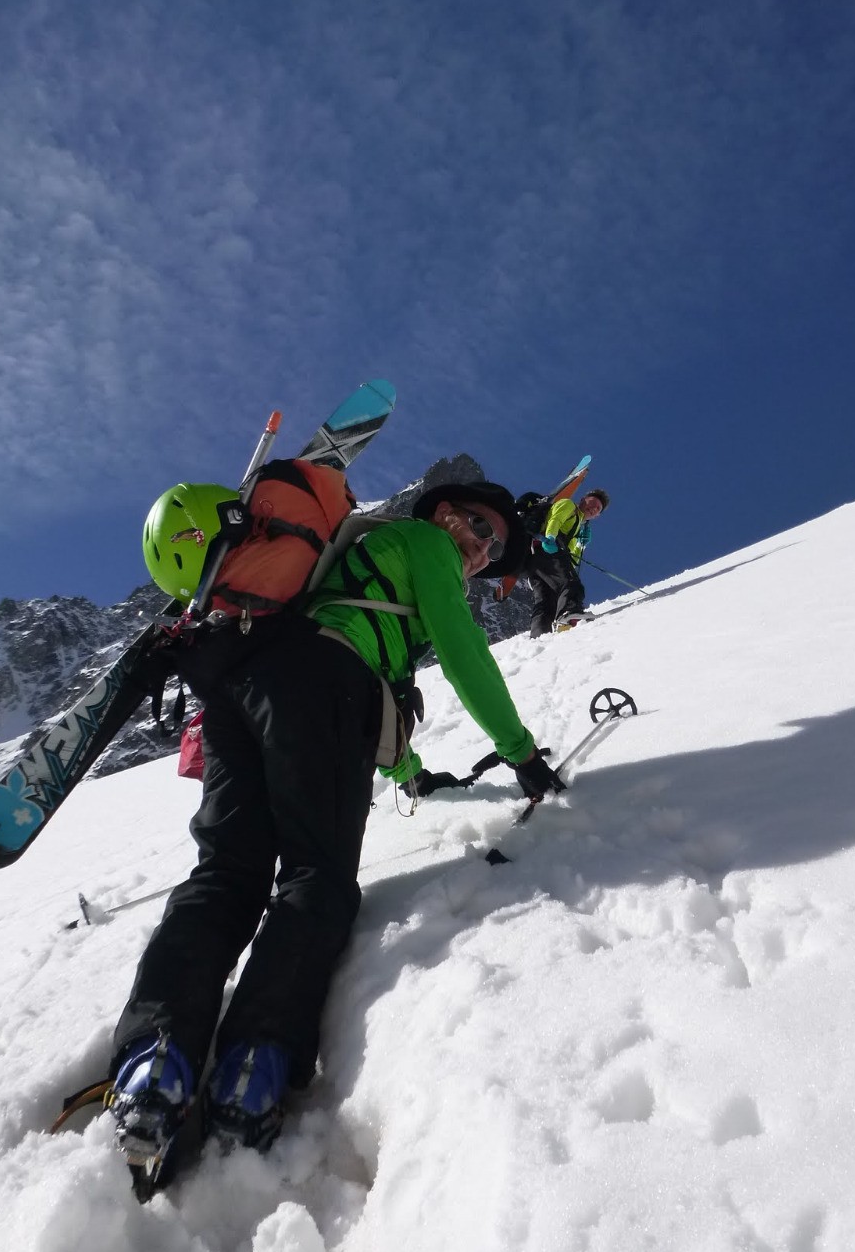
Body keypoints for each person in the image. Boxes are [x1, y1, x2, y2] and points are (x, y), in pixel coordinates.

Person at [106, 479, 565, 1176]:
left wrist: (407, 769)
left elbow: (352, 640)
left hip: (243, 690)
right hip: (325, 690)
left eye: (495, 546)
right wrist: (520, 751)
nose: (481, 549)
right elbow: (459, 649)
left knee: (227, 873)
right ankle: (252, 1063)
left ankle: (154, 1057)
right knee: (315, 877)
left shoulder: (369, 555)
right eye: (478, 528)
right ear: (444, 514)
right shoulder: (425, 543)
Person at [524, 488, 609, 637]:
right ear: (583, 499)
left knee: (546, 600)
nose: (593, 508)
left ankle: (538, 637)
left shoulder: (578, 527)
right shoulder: (569, 505)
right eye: (593, 503)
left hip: (533, 558)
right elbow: (555, 519)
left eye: (597, 509)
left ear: (597, 516)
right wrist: (550, 537)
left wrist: (581, 545)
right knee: (570, 583)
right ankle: (569, 613)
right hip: (546, 548)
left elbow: (573, 560)